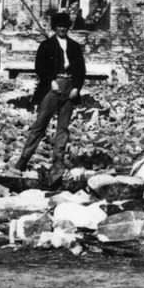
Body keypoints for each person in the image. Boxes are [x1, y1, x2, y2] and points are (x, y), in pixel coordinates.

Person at [14, 10, 86, 176]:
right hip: (53, 87)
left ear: (68, 28)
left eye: (65, 26)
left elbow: (81, 70)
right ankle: (23, 161)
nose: (62, 29)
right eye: (59, 26)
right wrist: (51, 82)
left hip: (70, 87)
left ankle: (58, 162)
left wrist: (77, 87)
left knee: (63, 127)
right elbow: (40, 67)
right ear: (54, 28)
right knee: (40, 124)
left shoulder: (74, 46)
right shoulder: (46, 45)